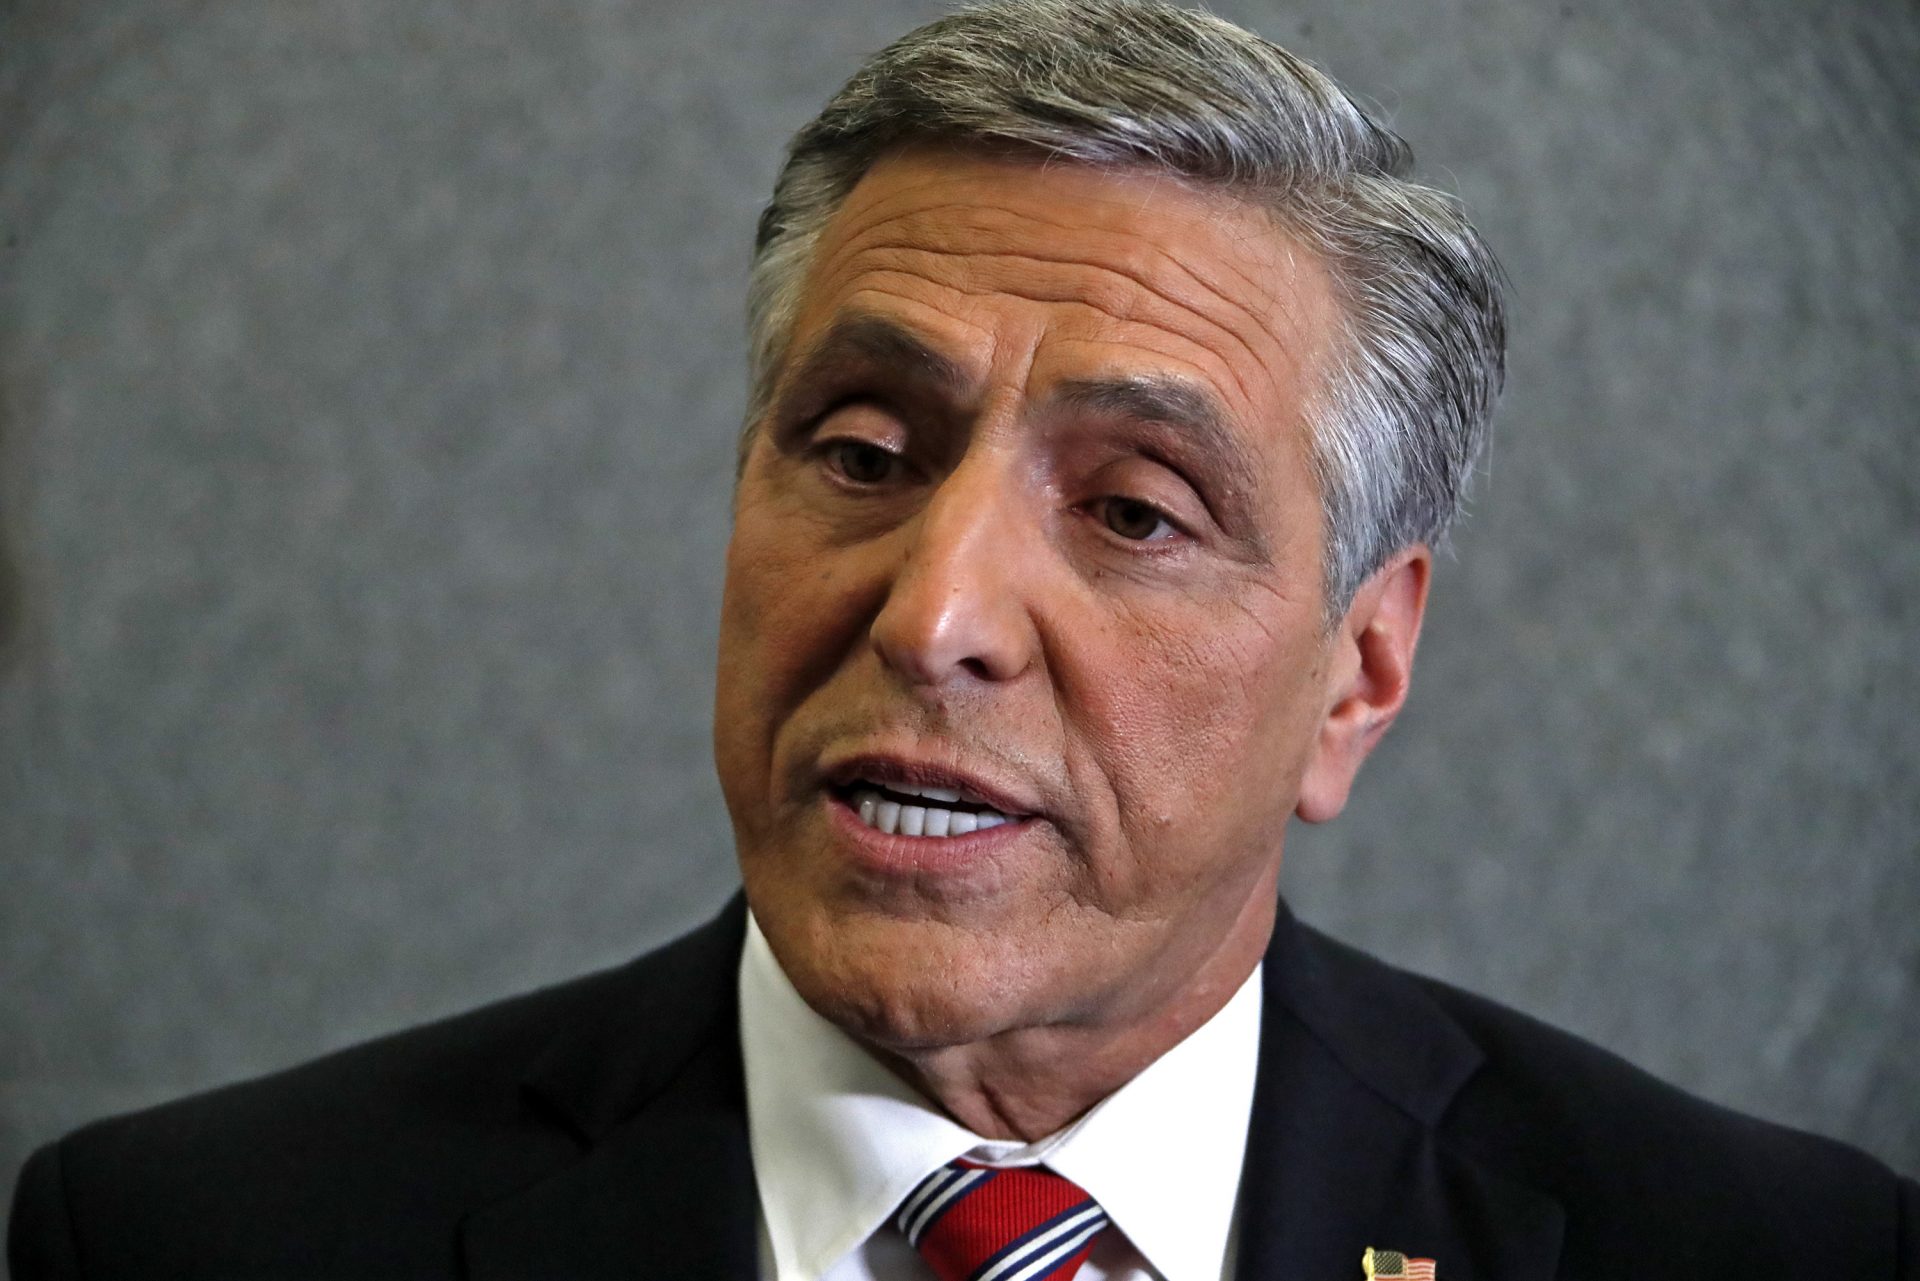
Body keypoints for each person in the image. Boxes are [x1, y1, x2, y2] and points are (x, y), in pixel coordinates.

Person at [9, 2, 1914, 1278]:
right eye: (857, 452)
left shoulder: (1767, 1248)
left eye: (1137, 510)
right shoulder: (193, 1237)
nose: (930, 614)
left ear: (1357, 671)